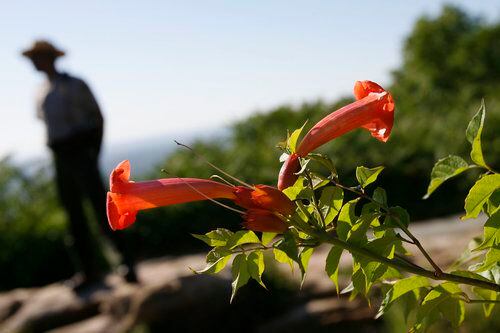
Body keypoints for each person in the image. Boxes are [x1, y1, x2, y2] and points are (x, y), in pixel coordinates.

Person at [22, 40, 137, 287]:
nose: (32, 62)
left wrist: (91, 153)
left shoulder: (75, 85)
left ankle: (125, 263)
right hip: (60, 156)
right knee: (73, 214)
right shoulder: (41, 90)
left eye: (36, 57)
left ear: (49, 58)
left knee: (103, 210)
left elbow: (97, 118)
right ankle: (88, 271)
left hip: (81, 151)